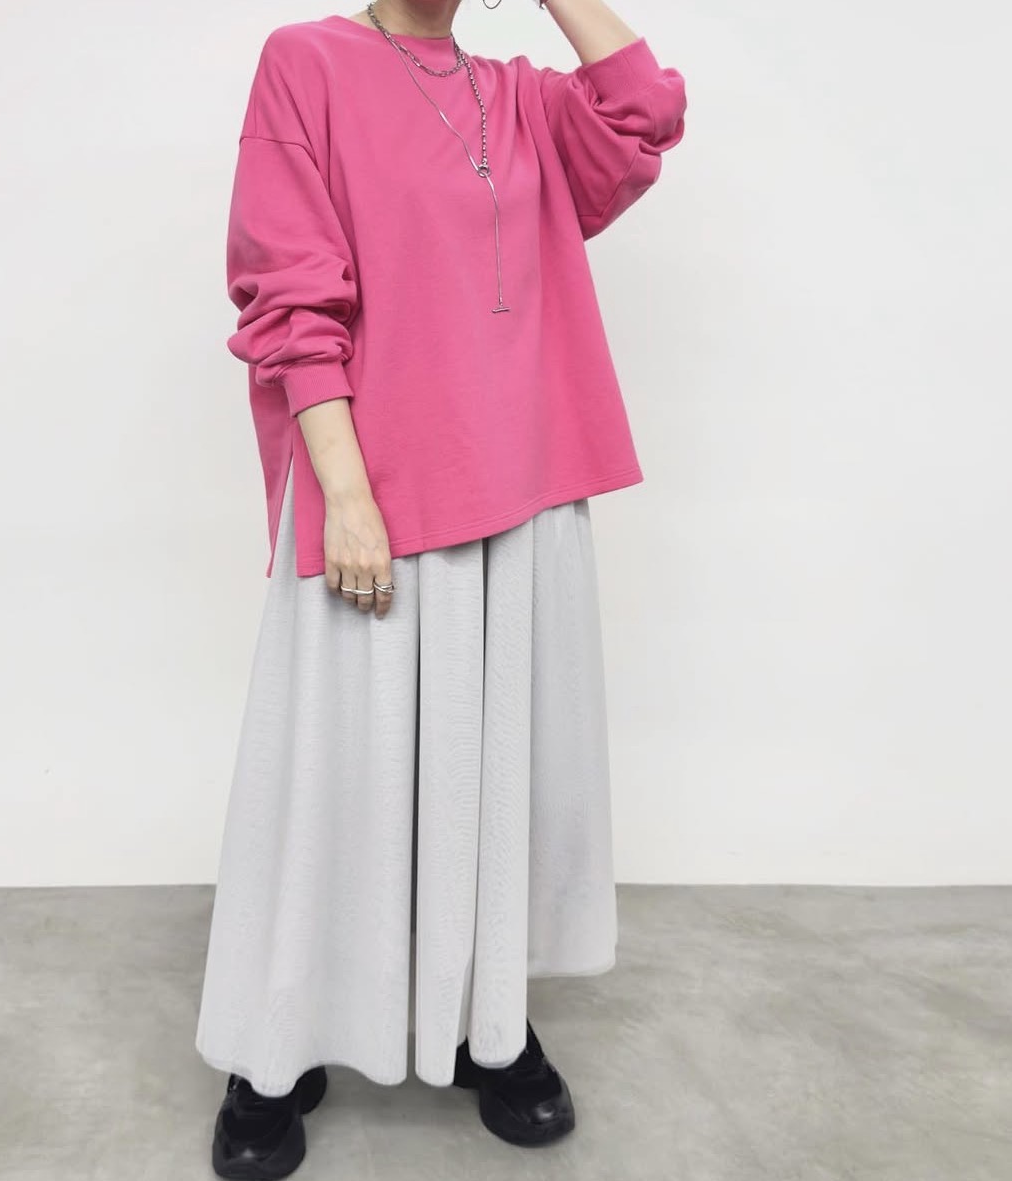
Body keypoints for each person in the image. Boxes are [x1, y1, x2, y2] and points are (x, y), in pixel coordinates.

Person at [195, 1, 687, 1176]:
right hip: (373, 486)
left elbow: (645, 111)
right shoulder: (307, 62)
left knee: (490, 775)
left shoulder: (522, 98)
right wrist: (344, 491)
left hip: (522, 485)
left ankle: (484, 1021)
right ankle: (277, 1042)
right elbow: (287, 285)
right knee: (336, 774)